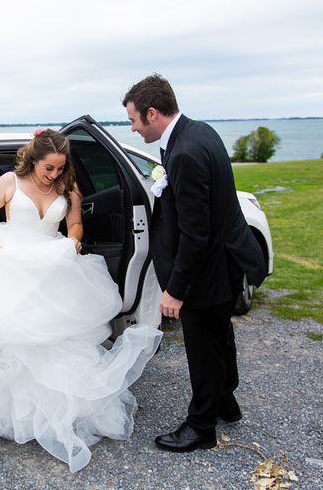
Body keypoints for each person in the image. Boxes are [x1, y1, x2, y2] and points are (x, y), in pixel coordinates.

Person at [0, 128, 162, 472]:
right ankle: (10, 414)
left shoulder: (68, 188)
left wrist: (73, 240)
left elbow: (75, 225)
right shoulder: (9, 182)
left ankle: (57, 412)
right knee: (12, 341)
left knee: (58, 342)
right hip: (12, 265)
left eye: (60, 167)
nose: (54, 174)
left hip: (52, 267)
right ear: (33, 159)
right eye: (48, 168)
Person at [123, 74, 267, 453]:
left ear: (152, 113)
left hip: (208, 268)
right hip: (226, 260)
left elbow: (195, 234)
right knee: (220, 338)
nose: (133, 128)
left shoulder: (184, 153)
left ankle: (201, 426)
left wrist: (176, 290)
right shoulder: (199, 131)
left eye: (134, 120)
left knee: (203, 349)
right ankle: (226, 403)